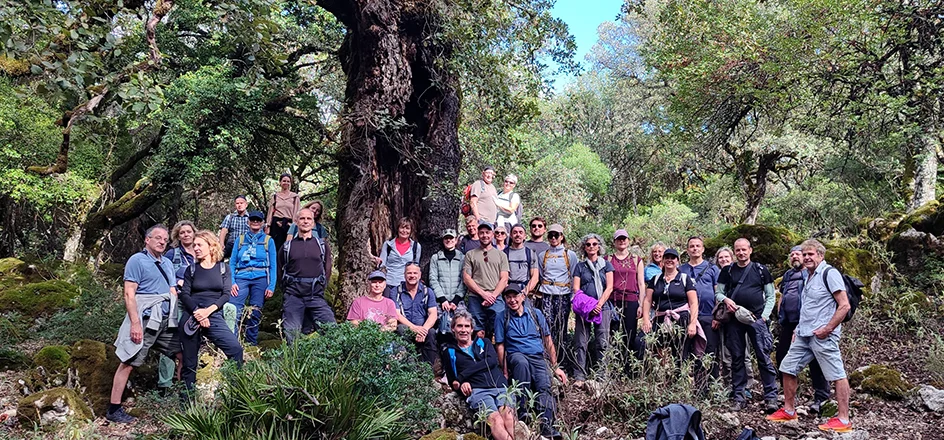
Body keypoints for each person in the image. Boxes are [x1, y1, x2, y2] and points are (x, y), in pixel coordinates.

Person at [767, 239, 853, 433]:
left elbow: (844, 305)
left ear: (820, 255)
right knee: (787, 367)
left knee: (837, 374)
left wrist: (828, 328)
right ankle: (789, 410)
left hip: (823, 335)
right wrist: (797, 330)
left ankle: (843, 419)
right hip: (804, 333)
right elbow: (807, 306)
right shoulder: (807, 275)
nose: (806, 258)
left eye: (810, 254)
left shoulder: (829, 274)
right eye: (804, 254)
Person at [107, 225, 181, 423]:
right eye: (157, 238)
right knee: (129, 361)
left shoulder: (167, 263)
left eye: (165, 239)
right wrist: (135, 323)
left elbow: (173, 290)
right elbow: (129, 293)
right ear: (147, 240)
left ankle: (184, 403)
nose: (162, 241)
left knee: (183, 354)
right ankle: (114, 409)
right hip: (147, 319)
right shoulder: (137, 261)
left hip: (167, 321)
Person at [494, 285, 566, 439]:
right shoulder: (502, 317)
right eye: (508, 297)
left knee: (544, 384)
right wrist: (504, 370)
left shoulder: (535, 313)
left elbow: (548, 339)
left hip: (538, 356)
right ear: (505, 299)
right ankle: (523, 410)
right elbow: (500, 345)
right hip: (516, 354)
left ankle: (547, 425)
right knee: (521, 363)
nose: (512, 300)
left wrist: (555, 367)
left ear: (522, 296)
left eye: (515, 296)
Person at [715, 238, 779, 413]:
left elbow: (770, 296)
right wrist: (726, 299)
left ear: (750, 250)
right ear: (734, 252)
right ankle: (739, 396)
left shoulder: (761, 270)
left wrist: (764, 317)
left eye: (744, 249)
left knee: (763, 357)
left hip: (757, 319)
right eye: (738, 250)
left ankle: (771, 397)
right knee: (737, 358)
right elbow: (719, 293)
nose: (741, 253)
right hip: (735, 320)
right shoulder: (728, 271)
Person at [177, 231, 244, 391]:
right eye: (194, 245)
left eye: (199, 244)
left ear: (211, 245)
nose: (196, 248)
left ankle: (235, 394)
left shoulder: (223, 268)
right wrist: (198, 313)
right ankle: (187, 404)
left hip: (213, 315)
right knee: (189, 363)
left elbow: (226, 294)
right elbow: (185, 294)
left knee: (235, 350)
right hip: (192, 317)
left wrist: (207, 312)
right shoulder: (191, 270)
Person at [440, 311, 517, 440]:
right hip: (478, 391)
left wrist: (462, 376)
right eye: (459, 326)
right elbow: (454, 383)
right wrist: (461, 385)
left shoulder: (484, 343)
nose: (463, 330)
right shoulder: (450, 352)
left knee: (508, 416)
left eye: (466, 326)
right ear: (453, 328)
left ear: (472, 329)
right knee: (495, 419)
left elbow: (491, 361)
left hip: (499, 385)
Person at [775, 245, 831, 413]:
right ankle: (788, 396)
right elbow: (783, 295)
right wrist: (780, 313)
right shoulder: (787, 275)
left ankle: (821, 397)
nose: (794, 257)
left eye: (798, 254)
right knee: (782, 356)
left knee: (815, 359)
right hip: (788, 322)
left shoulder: (810, 274)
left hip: (809, 323)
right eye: (791, 255)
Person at [280, 208, 334, 343]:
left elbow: (327, 268)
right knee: (291, 335)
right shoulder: (287, 246)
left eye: (309, 219)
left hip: (315, 296)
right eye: (302, 218)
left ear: (313, 223)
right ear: (296, 222)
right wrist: (287, 291)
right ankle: (294, 362)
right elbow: (280, 271)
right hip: (293, 297)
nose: (305, 221)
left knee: (332, 330)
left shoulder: (321, 245)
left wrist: (321, 287)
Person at [641, 248, 701, 369]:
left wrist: (693, 323)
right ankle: (652, 376)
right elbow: (647, 300)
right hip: (660, 319)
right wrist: (646, 320)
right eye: (666, 258)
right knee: (642, 342)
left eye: (672, 258)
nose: (669, 260)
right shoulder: (656, 279)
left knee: (680, 351)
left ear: (677, 261)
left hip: (681, 319)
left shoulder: (684, 279)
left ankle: (678, 381)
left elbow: (693, 302)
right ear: (662, 261)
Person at [228, 210, 277, 345]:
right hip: (241, 277)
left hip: (260, 277)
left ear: (262, 223)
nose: (255, 222)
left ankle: (251, 343)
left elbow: (273, 265)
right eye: (253, 220)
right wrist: (232, 282)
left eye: (258, 220)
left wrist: (271, 286)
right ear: (248, 222)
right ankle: (232, 342)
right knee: (233, 309)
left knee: (255, 311)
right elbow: (232, 263)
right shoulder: (240, 240)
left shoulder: (268, 241)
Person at [571, 233, 615, 385]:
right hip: (584, 309)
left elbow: (609, 287)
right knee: (581, 341)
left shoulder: (606, 265)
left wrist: (598, 305)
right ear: (584, 247)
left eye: (594, 244)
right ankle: (579, 376)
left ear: (599, 246)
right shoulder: (580, 266)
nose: (591, 247)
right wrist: (589, 306)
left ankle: (602, 376)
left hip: (604, 308)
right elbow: (576, 289)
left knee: (602, 342)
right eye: (588, 244)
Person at [157, 220, 195, 392]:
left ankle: (185, 384)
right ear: (177, 236)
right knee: (171, 342)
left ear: (194, 233)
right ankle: (165, 385)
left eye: (188, 231)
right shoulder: (172, 254)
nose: (186, 235)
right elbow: (163, 273)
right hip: (178, 302)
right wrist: (176, 283)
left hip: (197, 303)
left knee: (189, 344)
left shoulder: (201, 251)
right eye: (182, 233)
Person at [715, 245, 757, 395]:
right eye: (721, 258)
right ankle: (729, 385)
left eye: (727, 257)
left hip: (740, 318)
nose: (724, 260)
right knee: (726, 353)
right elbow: (718, 296)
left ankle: (747, 385)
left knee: (743, 352)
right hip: (723, 319)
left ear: (732, 258)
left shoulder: (739, 272)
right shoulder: (719, 274)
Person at [680, 236, 722, 381]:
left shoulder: (712, 269)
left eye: (698, 246)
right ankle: (693, 384)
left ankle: (712, 384)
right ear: (687, 250)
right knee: (688, 351)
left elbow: (718, 293)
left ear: (703, 249)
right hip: (687, 316)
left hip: (708, 315)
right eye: (692, 246)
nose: (695, 248)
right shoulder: (681, 269)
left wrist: (717, 316)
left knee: (710, 349)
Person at [536, 224, 578, 358]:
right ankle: (548, 357)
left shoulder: (569, 255)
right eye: (550, 235)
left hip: (563, 295)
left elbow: (573, 274)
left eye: (556, 235)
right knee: (547, 326)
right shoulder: (543, 255)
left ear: (561, 237)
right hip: (547, 293)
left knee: (561, 327)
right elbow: (541, 275)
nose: (553, 238)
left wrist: (572, 295)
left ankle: (562, 359)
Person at [462, 221, 509, 338]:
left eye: (487, 232)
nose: (485, 235)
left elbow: (504, 278)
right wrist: (483, 294)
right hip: (476, 297)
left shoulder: (501, 255)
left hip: (496, 297)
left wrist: (492, 296)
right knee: (477, 332)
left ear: (492, 234)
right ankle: (479, 354)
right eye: (482, 233)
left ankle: (498, 355)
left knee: (499, 330)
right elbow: (467, 278)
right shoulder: (470, 254)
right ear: (478, 234)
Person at [606, 229, 646, 364]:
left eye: (624, 238)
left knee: (630, 333)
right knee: (612, 333)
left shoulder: (636, 260)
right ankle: (613, 364)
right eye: (619, 239)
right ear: (615, 242)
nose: (622, 241)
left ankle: (629, 365)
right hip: (612, 300)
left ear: (628, 241)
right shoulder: (608, 259)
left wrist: (641, 304)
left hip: (631, 300)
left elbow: (641, 283)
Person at [390, 263, 439, 365]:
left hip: (423, 328)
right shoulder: (396, 291)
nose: (412, 275)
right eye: (409, 273)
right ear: (404, 275)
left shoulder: (427, 291)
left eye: (415, 273)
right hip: (406, 327)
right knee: (401, 329)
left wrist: (423, 330)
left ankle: (426, 371)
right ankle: (409, 368)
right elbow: (397, 314)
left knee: (432, 333)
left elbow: (433, 314)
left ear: (420, 275)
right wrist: (414, 328)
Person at [429, 228, 467, 341]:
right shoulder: (436, 258)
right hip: (441, 301)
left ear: (456, 241)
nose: (449, 240)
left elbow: (464, 280)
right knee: (440, 327)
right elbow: (433, 279)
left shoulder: (462, 258)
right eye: (446, 238)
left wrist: (455, 301)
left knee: (463, 324)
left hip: (457, 301)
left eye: (451, 238)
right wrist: (443, 300)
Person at [377, 217, 422, 290]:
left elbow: (416, 266)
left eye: (407, 228)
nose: (404, 231)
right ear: (398, 229)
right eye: (402, 228)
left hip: (406, 284)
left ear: (411, 231)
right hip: (389, 283)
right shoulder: (388, 245)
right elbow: (382, 264)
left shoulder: (416, 247)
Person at [266, 173, 301, 252]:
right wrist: (268, 225)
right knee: (275, 247)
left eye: (288, 181)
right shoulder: (275, 196)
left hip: (288, 224)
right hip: (276, 223)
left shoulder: (295, 197)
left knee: (288, 247)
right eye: (284, 181)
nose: (286, 183)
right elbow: (270, 211)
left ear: (290, 183)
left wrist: (294, 225)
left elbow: (297, 212)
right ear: (280, 182)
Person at [504, 224, 538, 295]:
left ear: (525, 236)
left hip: (524, 289)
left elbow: (535, 276)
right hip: (508, 290)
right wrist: (506, 289)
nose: (518, 235)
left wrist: (525, 291)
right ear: (510, 235)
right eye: (515, 232)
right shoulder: (504, 253)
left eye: (520, 232)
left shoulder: (530, 253)